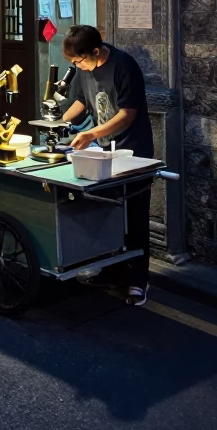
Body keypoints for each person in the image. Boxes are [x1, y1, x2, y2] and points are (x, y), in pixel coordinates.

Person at [60, 24, 155, 307]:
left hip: (133, 152)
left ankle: (138, 280)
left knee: (134, 217)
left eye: (79, 61)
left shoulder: (124, 66)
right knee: (106, 214)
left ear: (95, 51)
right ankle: (112, 272)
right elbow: (81, 101)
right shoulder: (83, 68)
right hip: (102, 152)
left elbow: (127, 114)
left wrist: (91, 134)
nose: (78, 66)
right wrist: (58, 120)